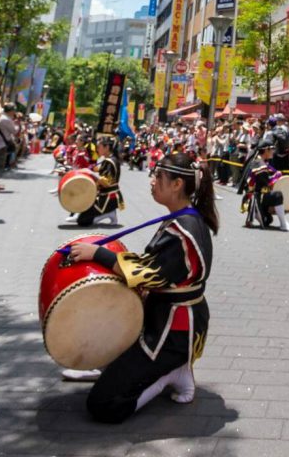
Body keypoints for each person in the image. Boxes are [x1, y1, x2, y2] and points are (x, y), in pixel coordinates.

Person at [66, 153, 217, 421]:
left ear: (177, 185)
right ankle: (115, 365)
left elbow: (149, 274)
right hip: (161, 319)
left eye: (158, 176)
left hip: (171, 333)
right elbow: (153, 267)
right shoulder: (181, 219)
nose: (152, 181)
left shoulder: (185, 230)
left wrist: (98, 254)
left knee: (103, 404)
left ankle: (169, 373)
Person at [68, 136, 124, 227]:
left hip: (108, 198)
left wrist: (90, 173)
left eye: (99, 147)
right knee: (82, 211)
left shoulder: (111, 161)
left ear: (107, 148)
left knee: (83, 221)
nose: (97, 149)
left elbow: (106, 183)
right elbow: (98, 169)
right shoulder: (109, 160)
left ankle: (108, 213)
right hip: (104, 195)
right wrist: (86, 169)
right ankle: (108, 213)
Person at [243, 141, 289, 231]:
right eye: (271, 149)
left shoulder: (259, 161)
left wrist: (276, 173)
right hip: (256, 197)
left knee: (268, 220)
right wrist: (276, 176)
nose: (273, 151)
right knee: (277, 195)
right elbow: (267, 183)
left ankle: (259, 213)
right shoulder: (259, 164)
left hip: (258, 194)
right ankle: (283, 224)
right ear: (266, 150)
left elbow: (269, 173)